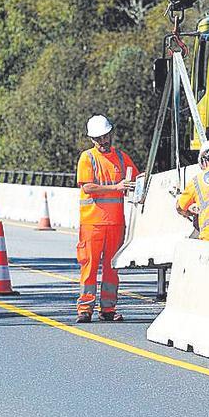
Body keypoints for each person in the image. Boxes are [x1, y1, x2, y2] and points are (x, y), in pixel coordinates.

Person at [76, 114, 138, 323]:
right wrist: (116, 187)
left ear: (110, 134)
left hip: (115, 224)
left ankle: (108, 309)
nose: (102, 142)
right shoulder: (88, 158)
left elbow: (136, 179)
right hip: (92, 223)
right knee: (90, 266)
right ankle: (85, 309)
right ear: (92, 140)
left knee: (112, 269)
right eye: (97, 139)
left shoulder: (121, 157)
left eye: (104, 137)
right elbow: (87, 187)